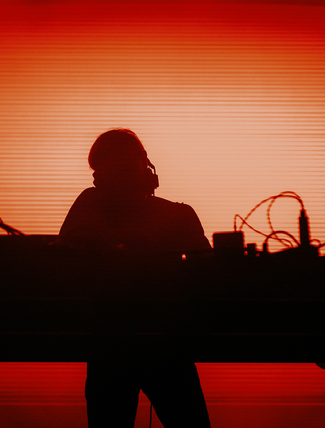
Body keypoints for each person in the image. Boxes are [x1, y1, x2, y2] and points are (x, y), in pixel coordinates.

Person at [59, 128, 212, 428]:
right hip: (162, 349)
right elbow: (211, 275)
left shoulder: (90, 209)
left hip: (114, 349)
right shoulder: (177, 216)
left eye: (126, 169)